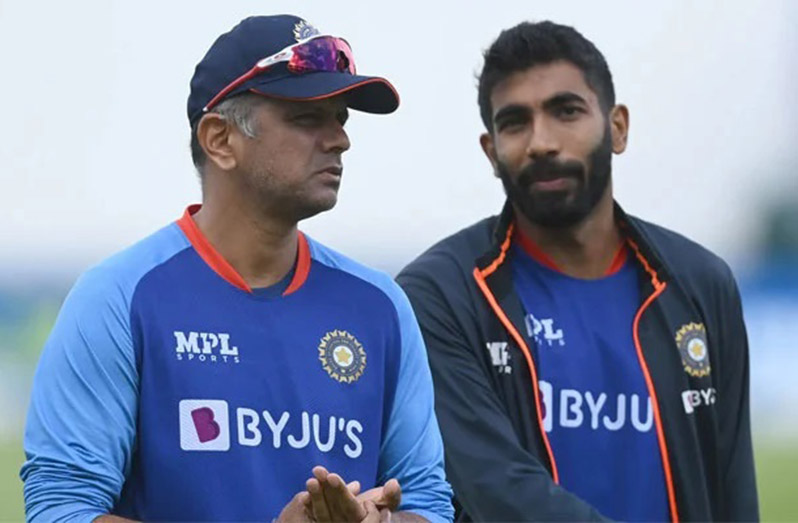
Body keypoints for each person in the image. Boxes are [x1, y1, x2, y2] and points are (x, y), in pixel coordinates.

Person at [21, 14, 452, 523]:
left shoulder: (380, 306)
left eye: (341, 118)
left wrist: (377, 522)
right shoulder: (120, 297)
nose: (340, 140)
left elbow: (428, 503)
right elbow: (60, 509)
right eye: (307, 117)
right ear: (220, 140)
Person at [397, 20, 757, 522]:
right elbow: (497, 490)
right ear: (490, 151)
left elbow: (733, 488)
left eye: (566, 111)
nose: (542, 142)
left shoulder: (700, 282)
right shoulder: (438, 296)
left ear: (617, 128)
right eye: (515, 122)